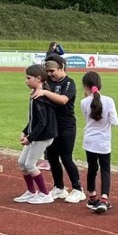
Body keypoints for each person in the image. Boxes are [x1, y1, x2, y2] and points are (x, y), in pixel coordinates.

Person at [40, 55, 83, 202]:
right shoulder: (47, 82)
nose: (50, 74)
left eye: (52, 71)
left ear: (61, 67)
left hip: (66, 126)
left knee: (66, 157)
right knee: (52, 157)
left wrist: (45, 92)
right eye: (48, 71)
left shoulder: (69, 83)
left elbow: (64, 99)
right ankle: (59, 188)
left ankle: (78, 189)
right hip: (51, 126)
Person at [13, 64, 57, 203]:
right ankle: (32, 191)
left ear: (38, 78)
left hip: (43, 136)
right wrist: (25, 131)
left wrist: (30, 138)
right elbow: (34, 119)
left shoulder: (40, 97)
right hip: (36, 135)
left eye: (28, 78)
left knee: (30, 164)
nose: (26, 81)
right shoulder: (36, 94)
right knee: (22, 162)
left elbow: (42, 122)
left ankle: (45, 194)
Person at [80, 70, 117, 213]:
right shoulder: (109, 101)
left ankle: (92, 197)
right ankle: (104, 199)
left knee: (92, 168)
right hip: (103, 141)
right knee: (105, 169)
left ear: (85, 86)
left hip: (89, 140)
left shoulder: (84, 102)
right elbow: (115, 121)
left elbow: (86, 118)